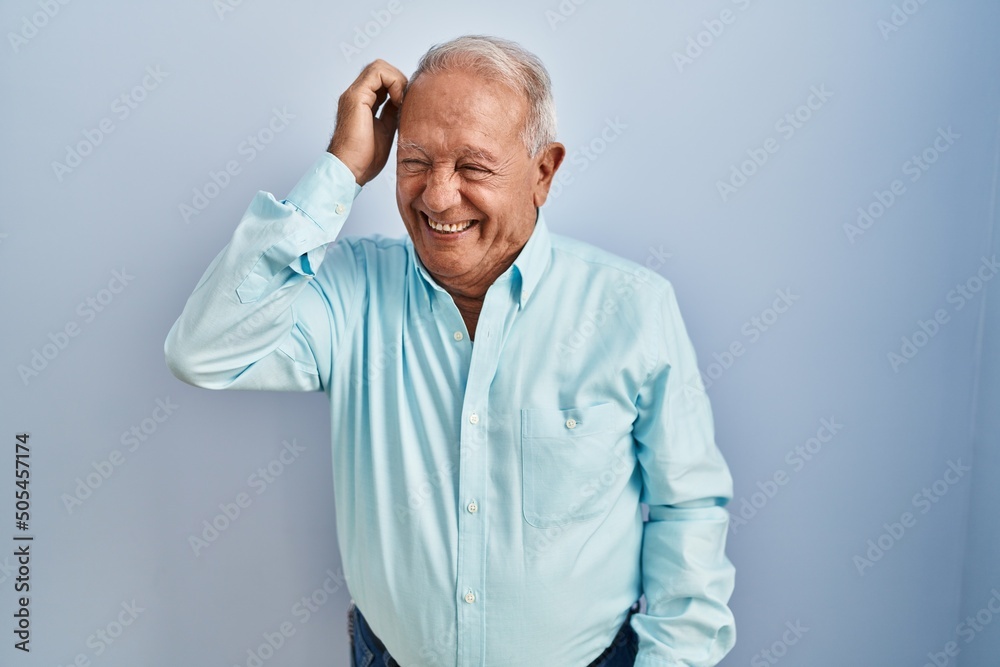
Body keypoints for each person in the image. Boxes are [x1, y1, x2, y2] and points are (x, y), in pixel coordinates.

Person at [165, 34, 735, 667]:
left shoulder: (632, 307)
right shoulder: (349, 293)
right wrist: (341, 170)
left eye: (473, 167)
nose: (436, 196)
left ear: (543, 172)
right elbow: (203, 351)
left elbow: (689, 510)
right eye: (415, 161)